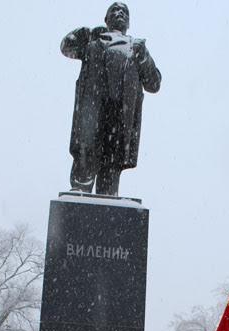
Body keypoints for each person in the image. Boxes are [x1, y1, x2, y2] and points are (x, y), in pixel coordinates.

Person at [61, 2, 161, 196]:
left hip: (120, 118)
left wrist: (144, 58)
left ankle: (108, 201)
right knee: (85, 160)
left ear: (129, 22)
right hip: (92, 113)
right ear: (106, 20)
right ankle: (79, 195)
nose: (119, 13)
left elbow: (154, 84)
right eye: (114, 11)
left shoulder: (136, 48)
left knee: (111, 170)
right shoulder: (93, 41)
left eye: (124, 12)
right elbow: (66, 46)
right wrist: (86, 33)